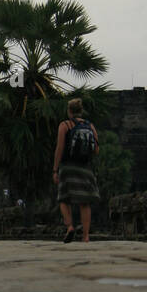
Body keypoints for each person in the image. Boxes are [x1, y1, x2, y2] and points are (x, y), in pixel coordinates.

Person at [53, 97, 99, 243]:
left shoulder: (64, 125)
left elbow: (60, 148)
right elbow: (96, 149)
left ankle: (70, 227)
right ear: (81, 111)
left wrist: (55, 169)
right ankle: (86, 236)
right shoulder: (90, 125)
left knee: (63, 198)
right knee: (85, 202)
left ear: (69, 111)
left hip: (67, 166)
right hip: (85, 167)